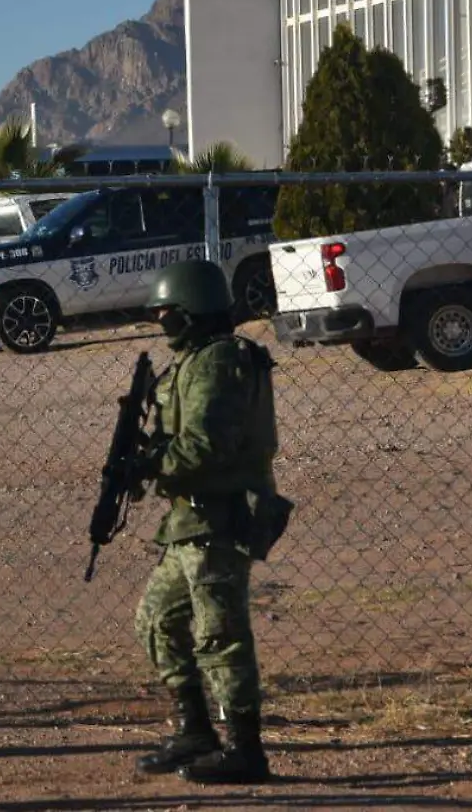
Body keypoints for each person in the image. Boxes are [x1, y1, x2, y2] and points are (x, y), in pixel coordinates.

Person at [130, 259, 276, 785]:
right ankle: (195, 729)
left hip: (219, 518)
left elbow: (207, 446)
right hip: (191, 521)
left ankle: (245, 750)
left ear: (192, 310)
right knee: (156, 620)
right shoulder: (195, 360)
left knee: (221, 633)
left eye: (167, 312)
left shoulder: (217, 361)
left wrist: (152, 463)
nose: (161, 321)